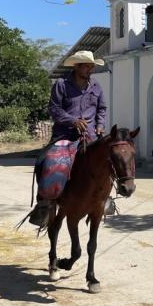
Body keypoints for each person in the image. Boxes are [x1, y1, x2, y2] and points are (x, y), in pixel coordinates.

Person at [27, 49, 107, 226]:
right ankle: (45, 203)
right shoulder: (61, 85)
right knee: (48, 161)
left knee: (107, 160)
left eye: (91, 67)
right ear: (77, 67)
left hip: (91, 135)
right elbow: (54, 109)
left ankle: (106, 199)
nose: (90, 70)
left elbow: (101, 109)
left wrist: (100, 125)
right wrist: (73, 121)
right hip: (65, 135)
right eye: (87, 67)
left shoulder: (96, 87)